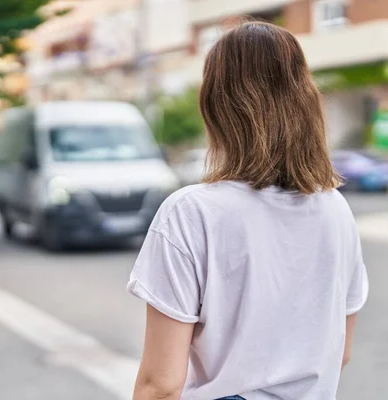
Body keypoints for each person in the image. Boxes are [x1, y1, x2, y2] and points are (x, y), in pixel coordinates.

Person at [127, 22, 368, 400]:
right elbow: (341, 353)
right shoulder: (336, 209)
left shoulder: (192, 212)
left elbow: (160, 384)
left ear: (216, 106)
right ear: (305, 100)